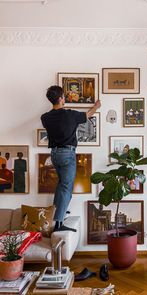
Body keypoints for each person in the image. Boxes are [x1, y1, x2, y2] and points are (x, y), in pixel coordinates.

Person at [41, 85, 101, 232]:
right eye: (64, 96)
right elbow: (88, 115)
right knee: (66, 187)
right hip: (67, 154)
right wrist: (97, 106)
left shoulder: (45, 118)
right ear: (61, 98)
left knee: (62, 185)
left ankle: (58, 213)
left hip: (54, 155)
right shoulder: (70, 115)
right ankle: (59, 223)